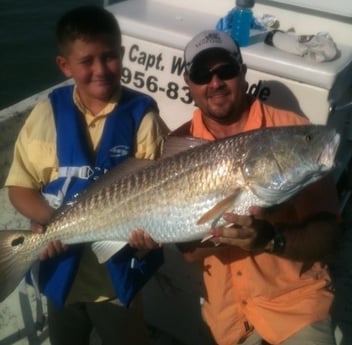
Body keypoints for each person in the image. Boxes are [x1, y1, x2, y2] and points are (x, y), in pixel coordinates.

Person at [129, 30, 341, 345]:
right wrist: (151, 234)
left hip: (295, 307)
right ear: (189, 82)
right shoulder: (178, 144)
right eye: (202, 75)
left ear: (242, 73)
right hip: (229, 319)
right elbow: (190, 253)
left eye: (225, 70)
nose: (215, 83)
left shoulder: (288, 128)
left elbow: (328, 236)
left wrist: (271, 238)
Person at [5, 5, 169, 345]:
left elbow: (160, 195)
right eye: (86, 61)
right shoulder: (47, 114)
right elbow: (20, 188)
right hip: (61, 277)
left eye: (110, 57)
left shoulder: (143, 119)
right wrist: (52, 223)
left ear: (122, 55)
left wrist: (151, 233)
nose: (100, 70)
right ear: (64, 66)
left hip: (115, 283)